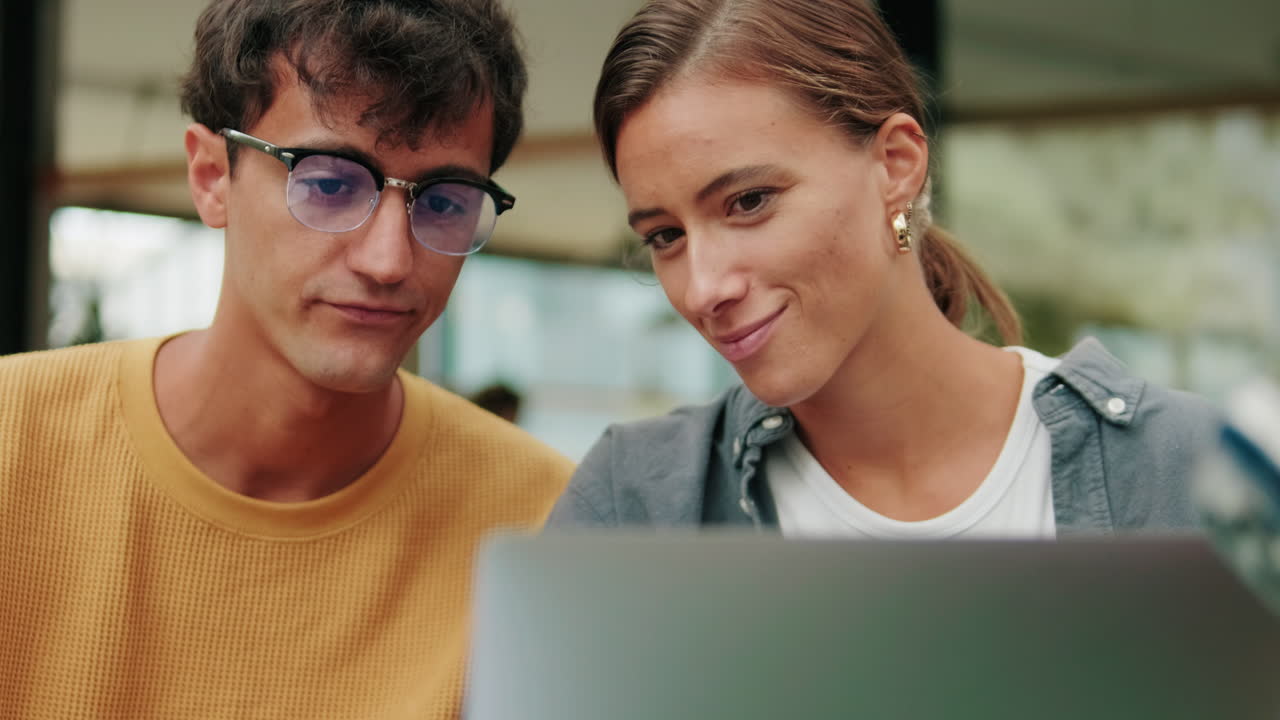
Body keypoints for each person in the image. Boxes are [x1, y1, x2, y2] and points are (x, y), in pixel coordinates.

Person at [0, 1, 572, 717]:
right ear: (212, 177)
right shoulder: (12, 443)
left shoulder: (549, 525)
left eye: (447, 202)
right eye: (330, 184)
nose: (390, 260)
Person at [548, 0, 1218, 534]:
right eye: (665, 236)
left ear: (896, 165)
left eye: (749, 201)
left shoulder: (1189, 474)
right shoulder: (636, 503)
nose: (703, 288)